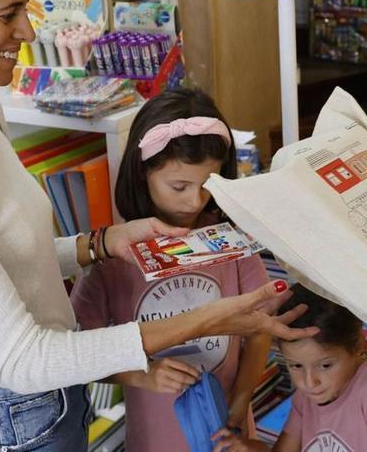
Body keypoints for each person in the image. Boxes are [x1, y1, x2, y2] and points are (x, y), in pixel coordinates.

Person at [0, 0, 316, 451]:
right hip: (5, 421)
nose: (28, 29)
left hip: (54, 404)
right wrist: (211, 320)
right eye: (8, 13)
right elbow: (22, 359)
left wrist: (99, 243)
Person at [71, 88, 273, 452]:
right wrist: (140, 374)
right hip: (155, 437)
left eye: (208, 185)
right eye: (178, 186)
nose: (194, 201)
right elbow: (78, 352)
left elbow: (260, 333)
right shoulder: (115, 257)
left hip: (228, 429)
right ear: (142, 173)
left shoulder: (230, 242)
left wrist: (242, 400)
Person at [212, 285, 367, 452]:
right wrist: (247, 447)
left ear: (356, 347)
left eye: (325, 365)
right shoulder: (306, 397)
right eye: (295, 366)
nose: (309, 382)